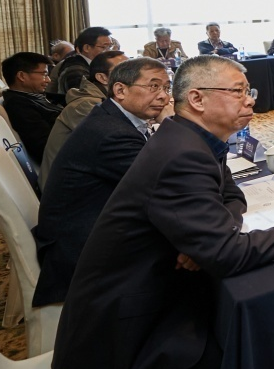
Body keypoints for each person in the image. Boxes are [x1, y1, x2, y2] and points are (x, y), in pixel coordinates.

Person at [50, 56, 274, 369]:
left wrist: (207, 236)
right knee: (260, 356)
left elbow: (231, 196)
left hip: (148, 302)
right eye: (238, 91)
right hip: (123, 338)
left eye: (248, 90)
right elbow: (227, 254)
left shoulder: (189, 137)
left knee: (261, 330)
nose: (250, 100)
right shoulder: (182, 153)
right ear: (198, 99)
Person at [32, 58, 172, 306]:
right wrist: (174, 126)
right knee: (192, 254)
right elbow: (168, 185)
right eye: (154, 86)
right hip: (82, 253)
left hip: (88, 225)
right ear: (120, 90)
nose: (164, 96)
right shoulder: (113, 133)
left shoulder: (110, 116)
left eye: (166, 88)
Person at [41, 49, 128, 177]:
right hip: (68, 182)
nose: (134, 77)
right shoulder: (86, 105)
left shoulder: (103, 99)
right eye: (125, 71)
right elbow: (118, 145)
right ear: (102, 78)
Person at [0, 51, 64, 167]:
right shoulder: (19, 106)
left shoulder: (30, 96)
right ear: (22, 76)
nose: (48, 80)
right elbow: (46, 147)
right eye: (44, 74)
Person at [57, 26, 114, 95]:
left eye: (110, 47)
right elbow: (86, 94)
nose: (109, 51)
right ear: (86, 48)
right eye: (104, 47)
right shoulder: (75, 70)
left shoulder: (94, 65)